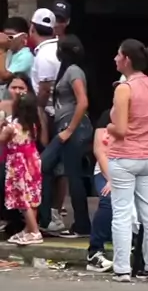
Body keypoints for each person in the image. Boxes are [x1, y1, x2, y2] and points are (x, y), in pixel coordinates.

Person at [107, 39, 148, 283]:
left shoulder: (124, 88)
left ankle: (122, 268)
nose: (115, 59)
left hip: (125, 155)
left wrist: (108, 127)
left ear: (127, 60)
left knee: (122, 212)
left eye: (118, 55)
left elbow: (120, 129)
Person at [39, 35, 93, 238]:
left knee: (72, 174)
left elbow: (83, 101)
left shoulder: (73, 71)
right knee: (49, 167)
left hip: (73, 128)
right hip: (66, 127)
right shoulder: (67, 70)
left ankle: (81, 225)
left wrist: (69, 130)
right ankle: (47, 219)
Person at [0, 91, 42, 245]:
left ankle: (35, 232)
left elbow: (1, 140)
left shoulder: (12, 127)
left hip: (19, 165)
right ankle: (28, 229)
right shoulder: (33, 126)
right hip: (33, 162)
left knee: (23, 199)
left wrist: (1, 125)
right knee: (32, 197)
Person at [86, 110, 114, 273]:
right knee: (108, 198)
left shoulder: (146, 114)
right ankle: (95, 252)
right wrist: (111, 178)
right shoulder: (108, 116)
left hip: (134, 170)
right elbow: (99, 150)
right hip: (107, 169)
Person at [0, 17, 34, 99]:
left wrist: (2, 49)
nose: (7, 40)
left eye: (10, 36)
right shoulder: (9, 52)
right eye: (5, 36)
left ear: (23, 37)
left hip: (19, 101)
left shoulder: (26, 56)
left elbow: (4, 77)